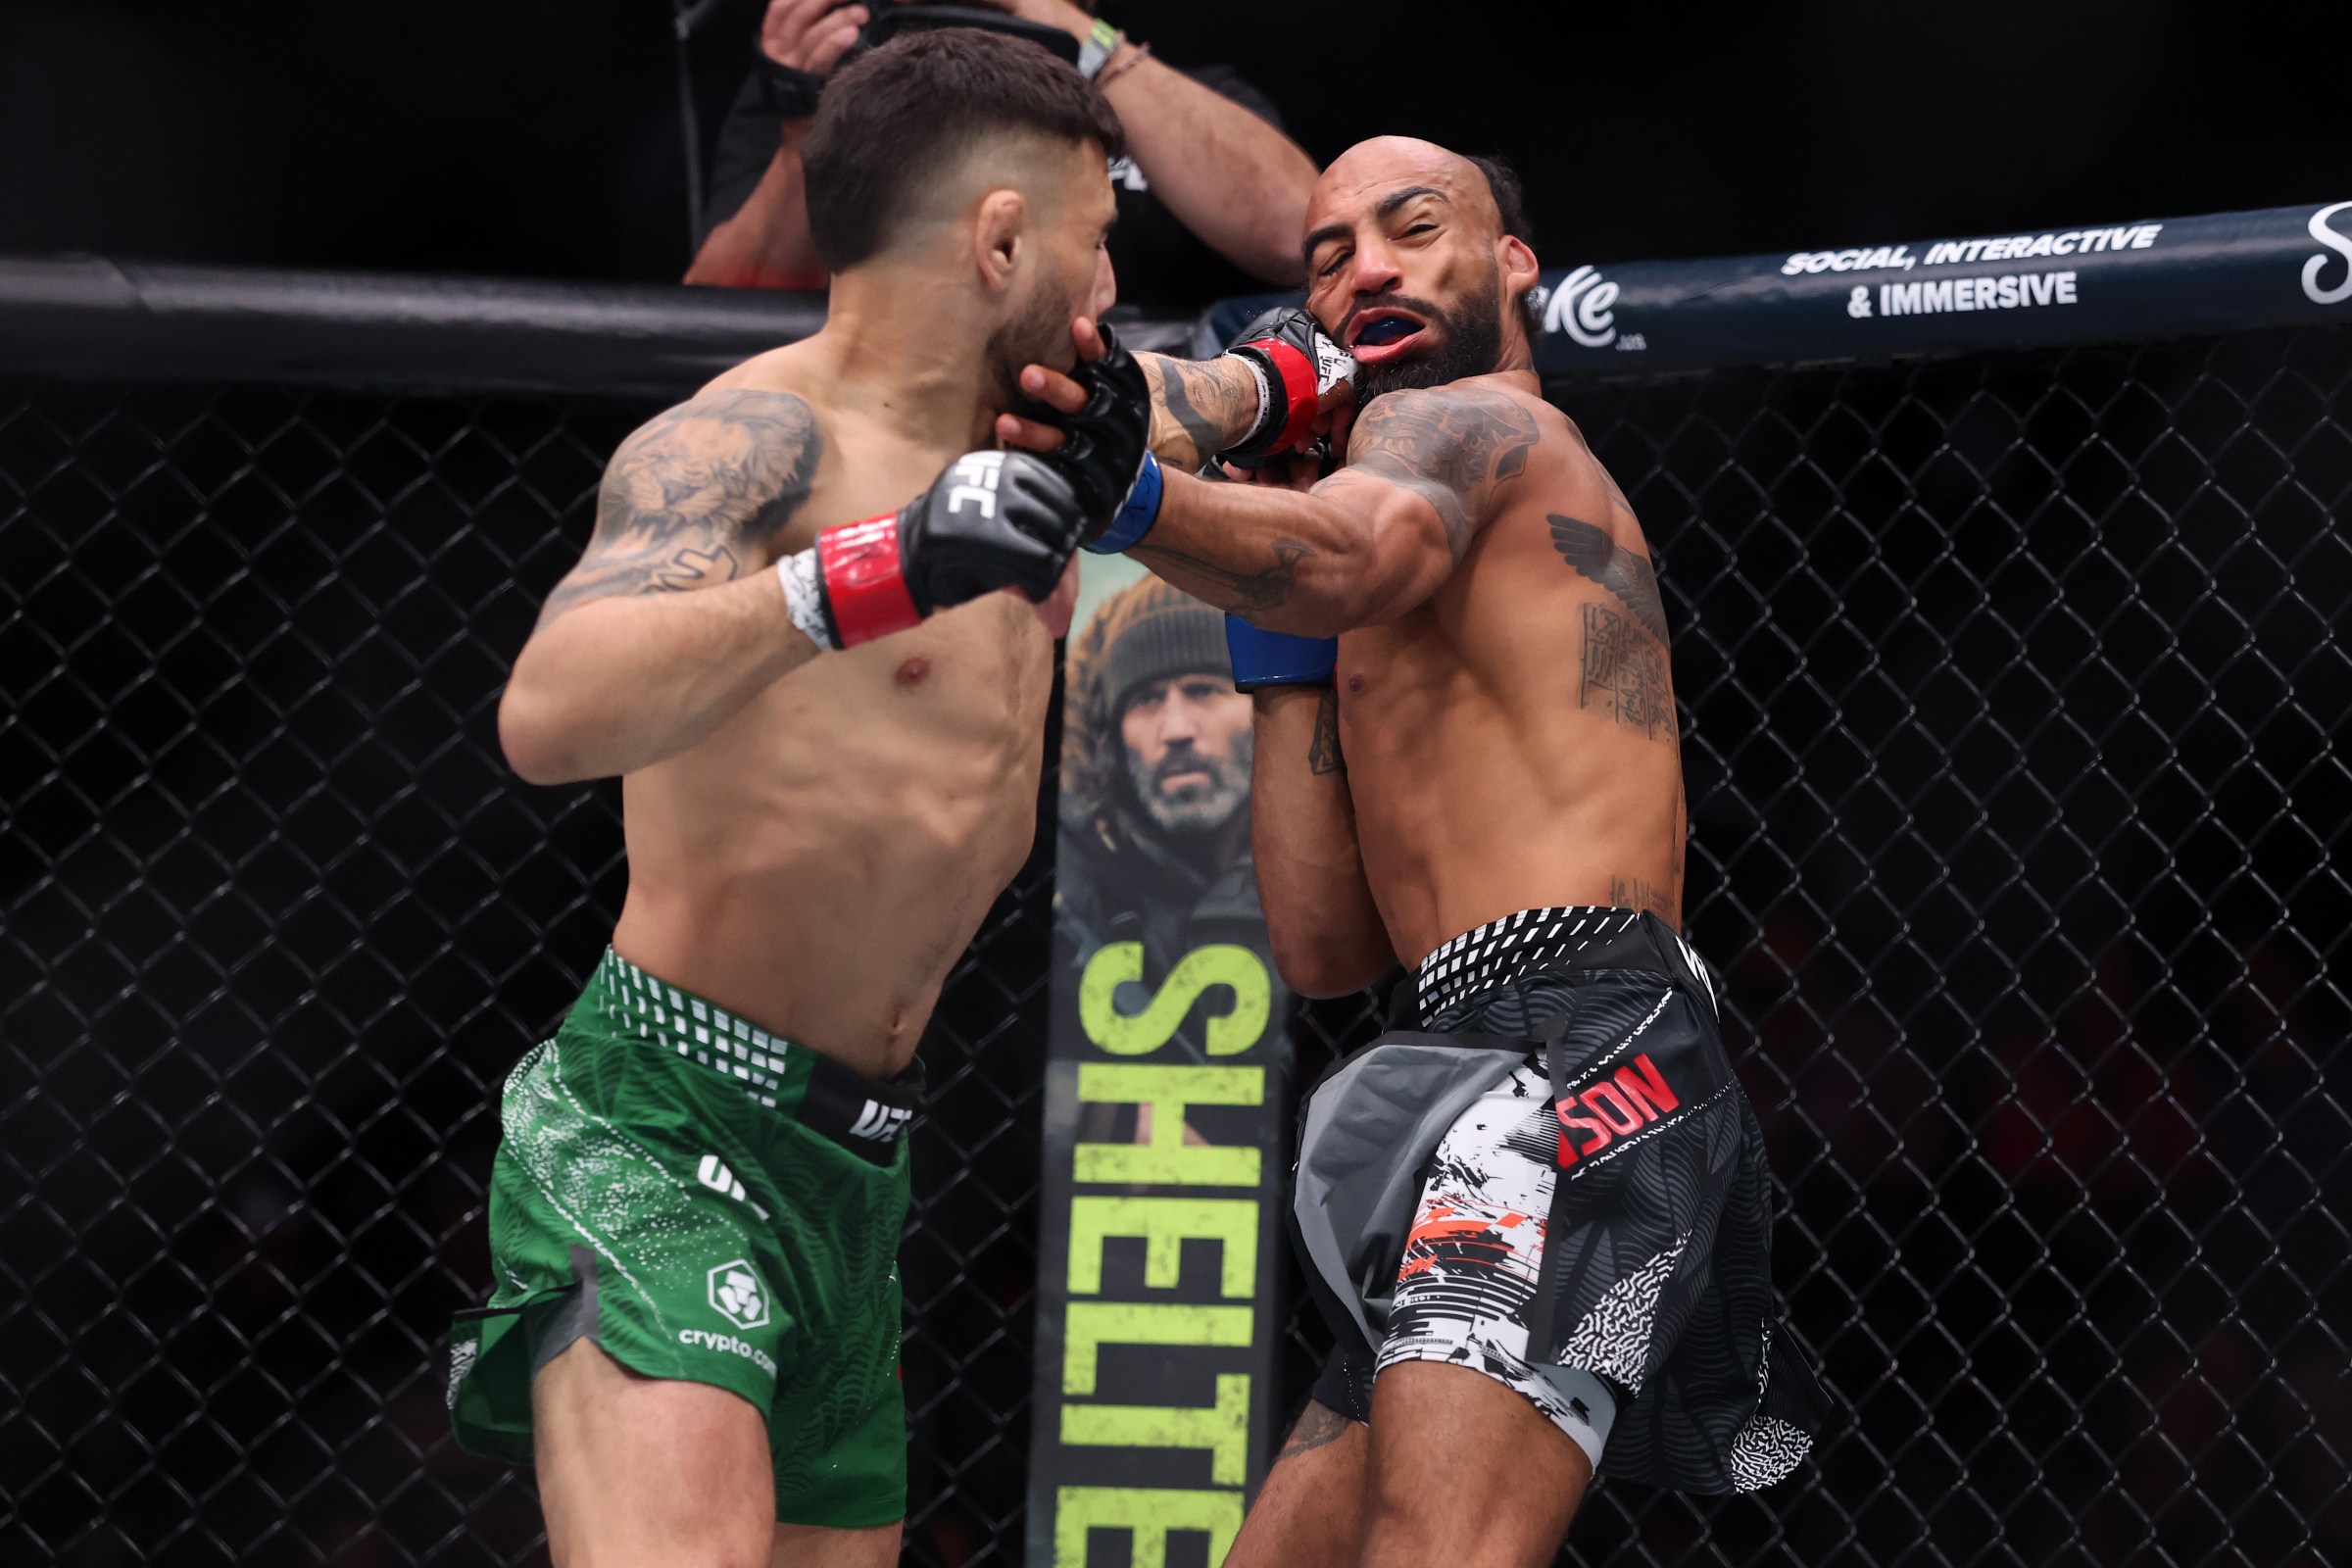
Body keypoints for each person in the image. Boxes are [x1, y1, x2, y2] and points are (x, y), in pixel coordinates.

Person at [1003, 136, 1828, 1566]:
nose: (1366, 268)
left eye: (1414, 227)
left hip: (1575, 1050)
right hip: (1457, 1048)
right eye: (1328, 258)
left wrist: (1134, 493)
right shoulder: (1378, 530)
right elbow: (1325, 944)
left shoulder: (1473, 429)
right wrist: (1280, 638)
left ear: (1513, 265)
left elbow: (1351, 548)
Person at [443, 33, 1125, 1567]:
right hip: (659, 1122)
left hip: (859, 1172)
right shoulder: (756, 437)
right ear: (999, 240)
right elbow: (548, 713)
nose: (1108, 291)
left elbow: (1244, 393)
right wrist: (866, 575)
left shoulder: (1043, 445)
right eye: (1093, 244)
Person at [688, 0, 1316, 304]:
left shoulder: (1182, 96)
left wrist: (1062, 24)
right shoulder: (833, 77)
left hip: (1130, 434)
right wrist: (808, 131)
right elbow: (704, 324)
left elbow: (1298, 234)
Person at [1057, 576, 1261, 977]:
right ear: (1110, 735)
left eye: (1203, 691)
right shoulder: (1067, 884)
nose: (1176, 730)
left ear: (1261, 708)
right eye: (1146, 700)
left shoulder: (1331, 863)